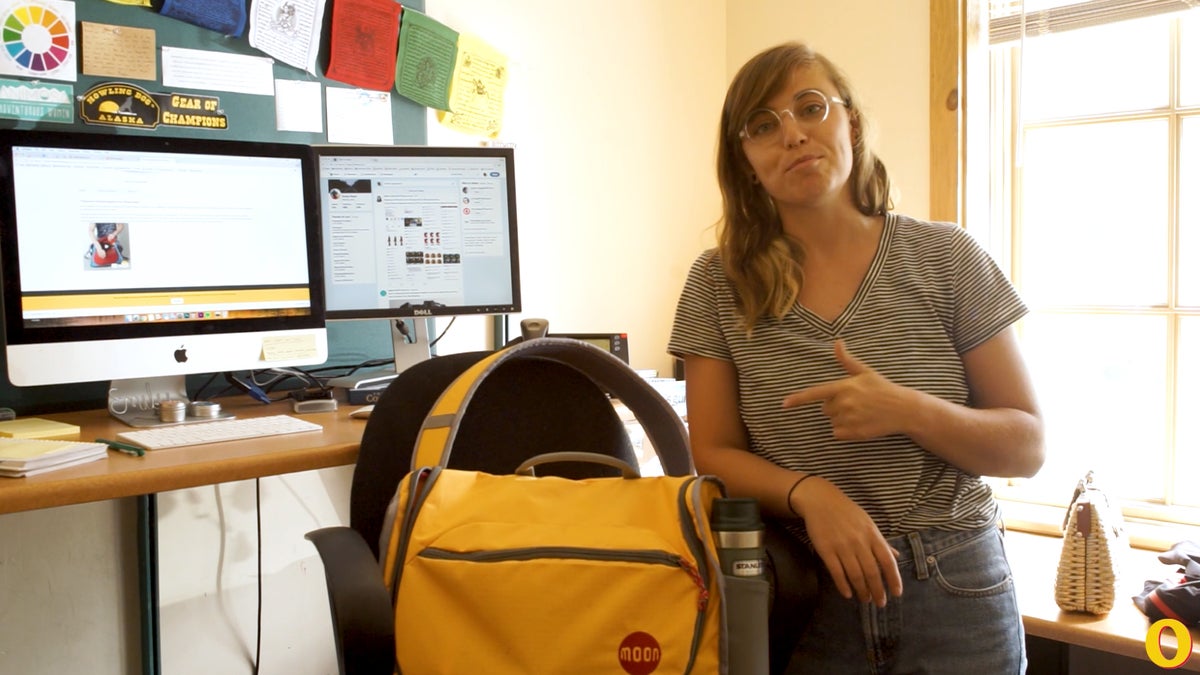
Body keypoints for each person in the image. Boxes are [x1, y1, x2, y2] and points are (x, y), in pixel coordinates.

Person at [668, 42, 1045, 674]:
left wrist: (907, 409)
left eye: (810, 108)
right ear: (746, 160)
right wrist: (809, 494)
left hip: (957, 590)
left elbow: (1027, 447)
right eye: (763, 126)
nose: (792, 135)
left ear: (852, 124)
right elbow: (710, 453)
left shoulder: (948, 258)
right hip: (805, 589)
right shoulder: (716, 282)